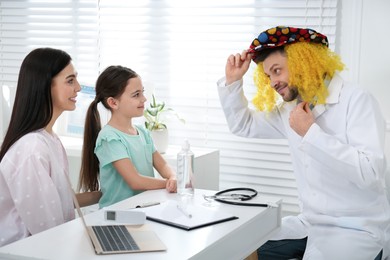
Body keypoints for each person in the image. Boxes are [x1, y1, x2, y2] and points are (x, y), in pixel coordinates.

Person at [217, 26, 390, 259]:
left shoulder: (357, 100)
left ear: (303, 62)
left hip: (357, 229)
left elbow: (370, 172)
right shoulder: (290, 110)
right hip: (309, 224)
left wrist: (310, 133)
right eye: (268, 76)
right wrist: (233, 82)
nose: (273, 83)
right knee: (238, 248)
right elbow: (243, 125)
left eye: (277, 71)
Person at [0, 48, 101, 247]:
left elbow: (60, 204)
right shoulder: (31, 148)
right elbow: (49, 229)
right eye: (70, 80)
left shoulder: (49, 139)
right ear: (45, 86)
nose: (78, 87)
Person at [78, 65, 177, 209]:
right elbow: (135, 181)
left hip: (143, 208)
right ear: (113, 102)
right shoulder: (109, 138)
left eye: (142, 92)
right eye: (136, 95)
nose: (144, 99)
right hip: (117, 214)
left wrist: (172, 177)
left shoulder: (143, 132)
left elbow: (162, 165)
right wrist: (167, 184)